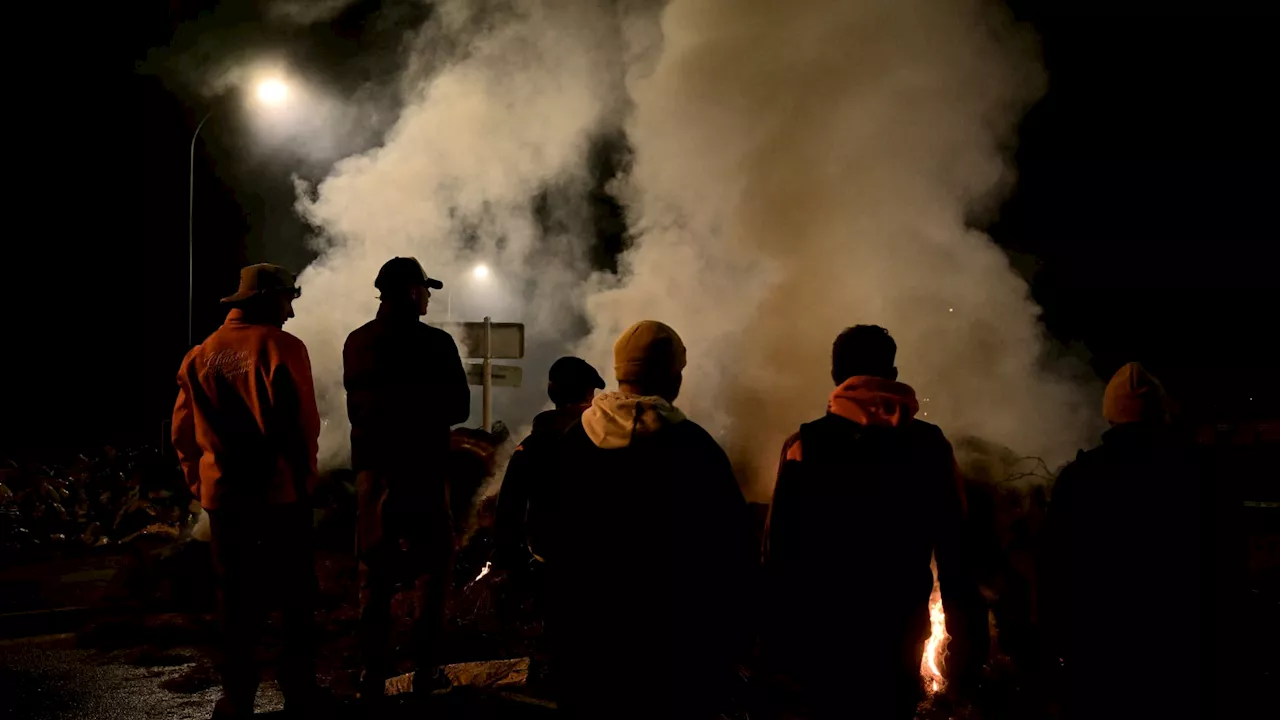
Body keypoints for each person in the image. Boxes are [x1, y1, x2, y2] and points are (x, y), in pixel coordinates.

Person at [762, 325, 988, 719]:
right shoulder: (930, 446)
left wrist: (773, 649)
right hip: (898, 636)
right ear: (893, 374)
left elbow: (779, 554)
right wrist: (968, 646)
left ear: (835, 376)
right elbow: (957, 554)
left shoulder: (804, 444)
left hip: (820, 641)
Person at [550, 321, 752, 720]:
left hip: (587, 643)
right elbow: (732, 550)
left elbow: (549, 535)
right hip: (672, 648)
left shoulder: (574, 442)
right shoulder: (695, 447)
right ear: (673, 376)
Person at [172, 264, 323, 719]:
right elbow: (302, 428)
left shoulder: (199, 355)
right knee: (296, 599)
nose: (292, 311)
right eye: (288, 299)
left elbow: (182, 437)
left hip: (225, 503)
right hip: (279, 499)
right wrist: (304, 484)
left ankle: (238, 699)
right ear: (267, 300)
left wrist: (202, 486)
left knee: (236, 603)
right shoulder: (283, 348)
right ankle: (299, 693)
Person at [1040, 362, 1222, 719]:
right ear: (1159, 413)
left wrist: (1055, 648)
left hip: (1100, 653)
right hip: (1181, 651)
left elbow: (1053, 570)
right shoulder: (1196, 473)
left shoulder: (1081, 478)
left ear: (1110, 417)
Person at [343, 256, 470, 701]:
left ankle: (371, 673)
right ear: (412, 292)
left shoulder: (357, 342)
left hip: (374, 476)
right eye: (425, 289)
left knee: (374, 576)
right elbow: (460, 410)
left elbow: (358, 409)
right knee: (432, 573)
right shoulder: (437, 344)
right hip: (424, 471)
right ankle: (426, 670)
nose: (429, 296)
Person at [491, 355, 605, 570]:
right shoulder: (602, 441)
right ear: (589, 395)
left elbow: (508, 512)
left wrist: (512, 568)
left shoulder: (531, 446)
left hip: (544, 564)